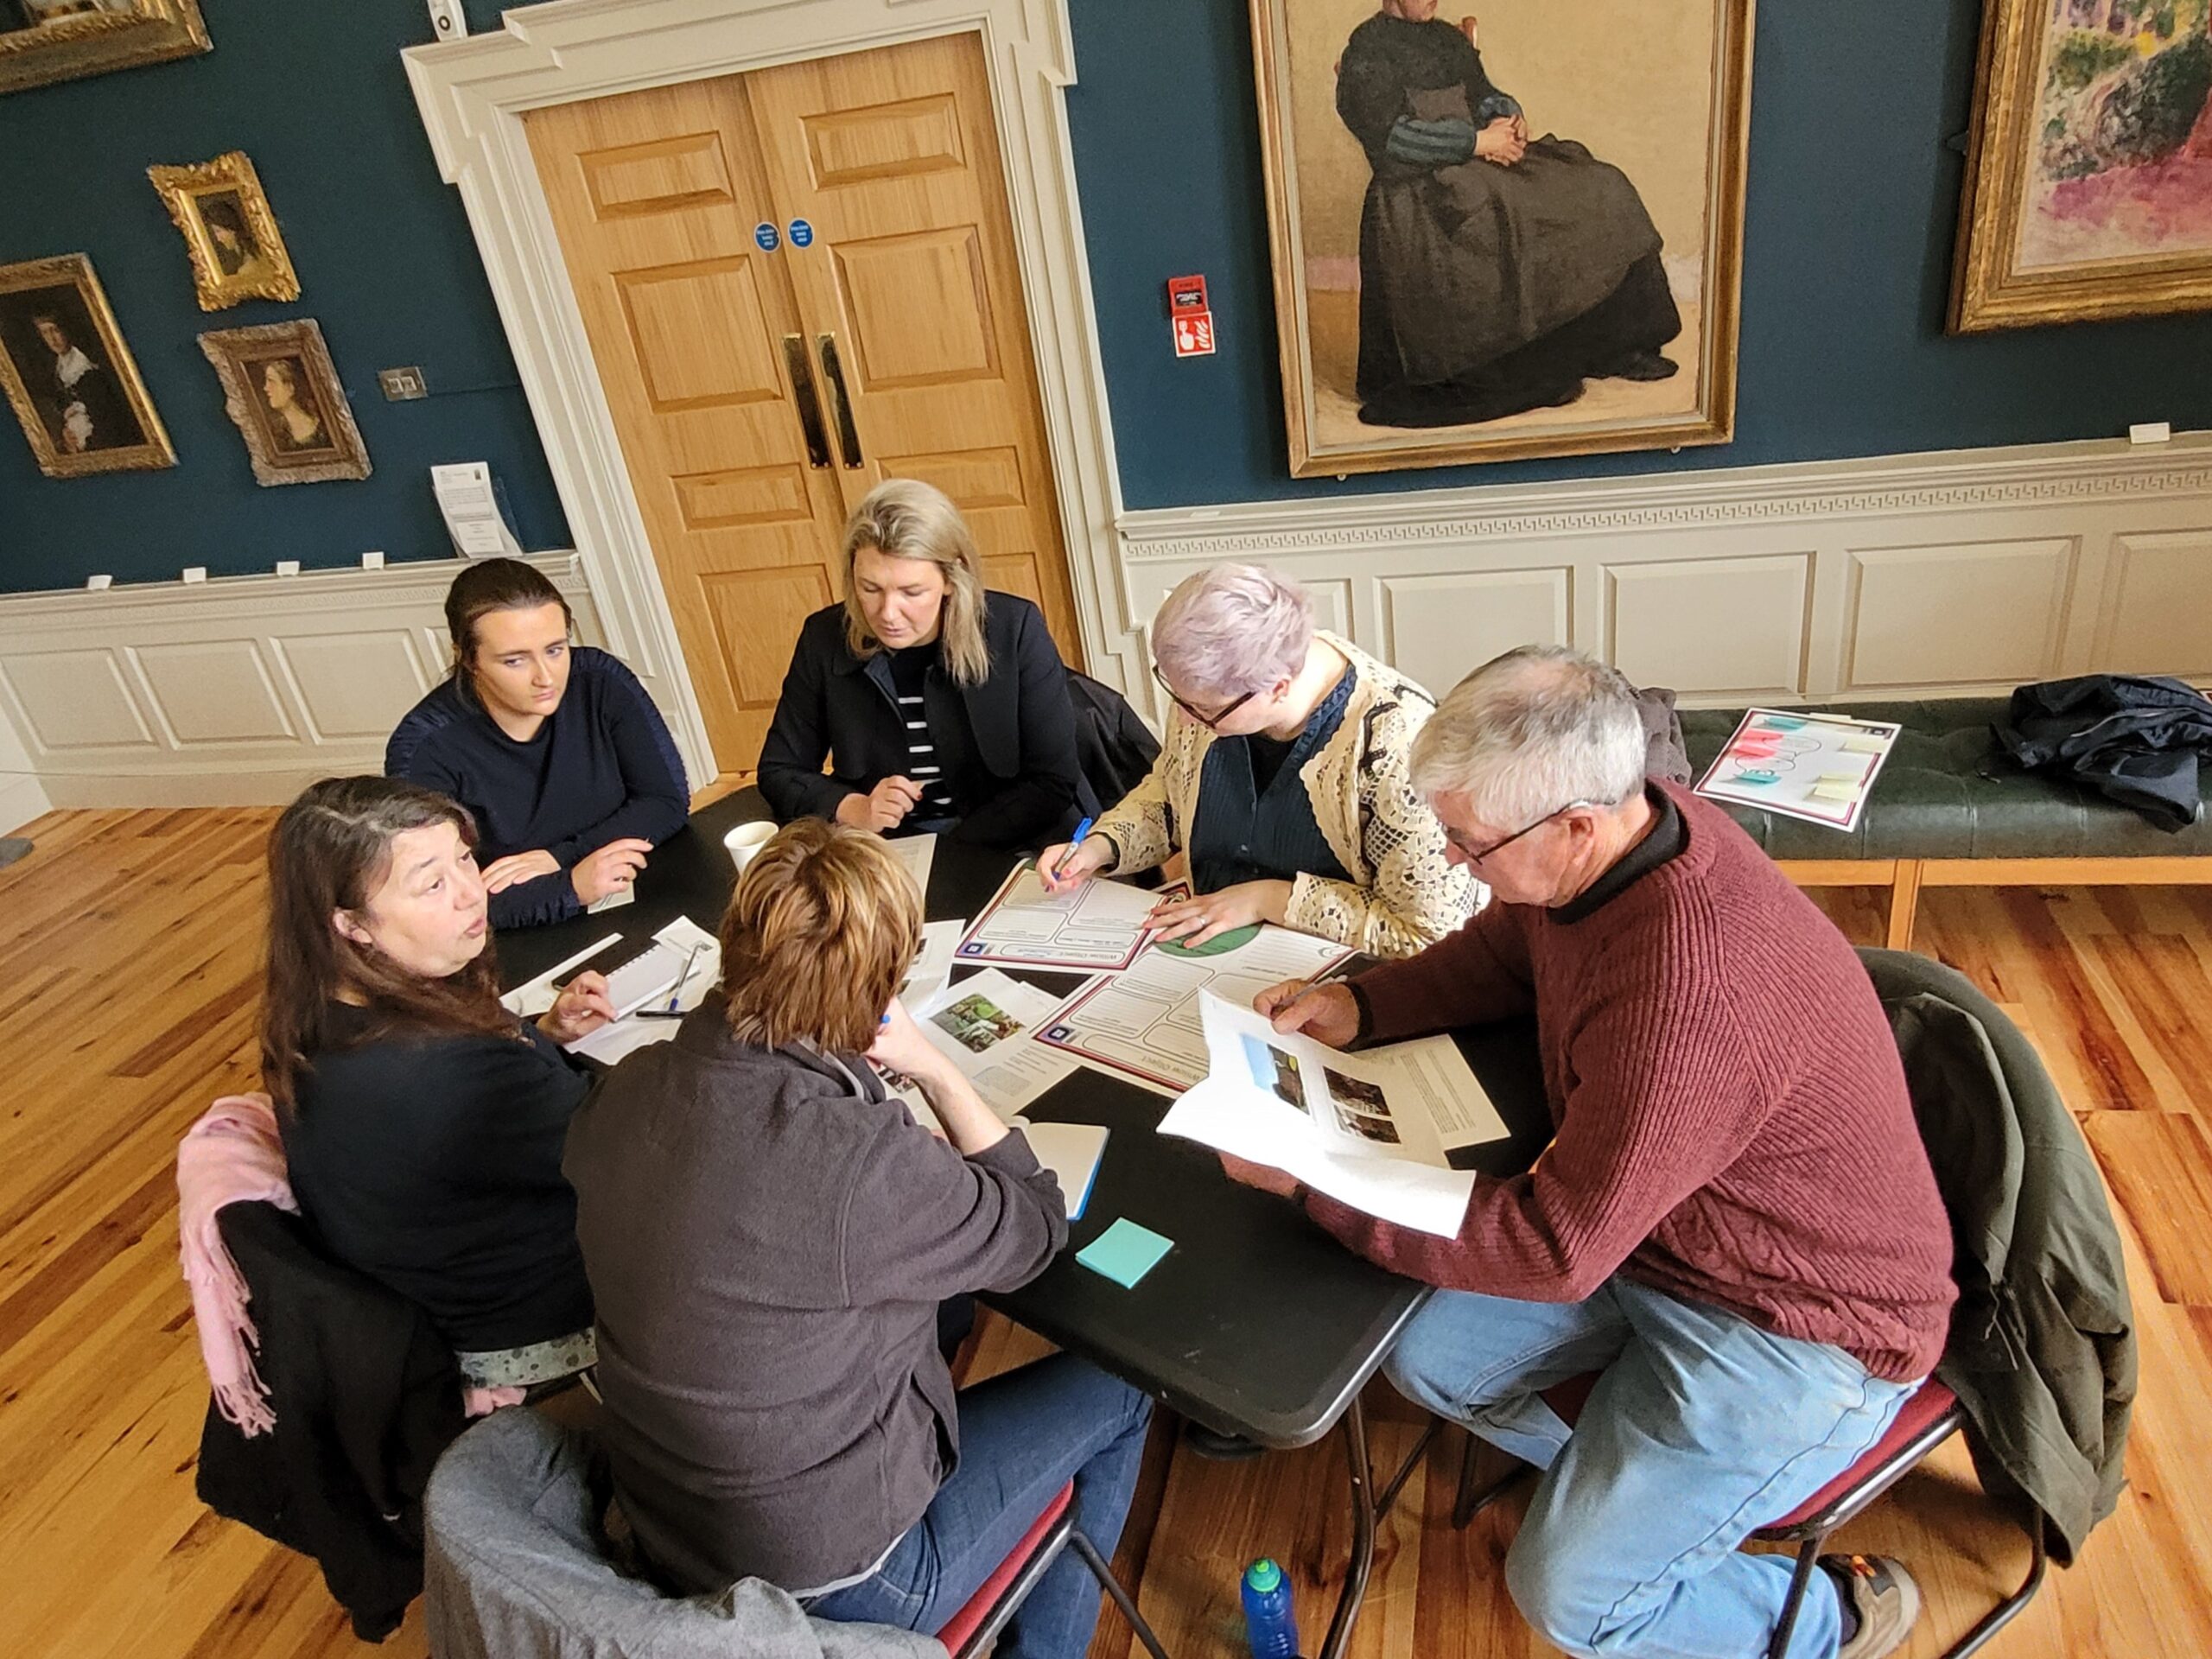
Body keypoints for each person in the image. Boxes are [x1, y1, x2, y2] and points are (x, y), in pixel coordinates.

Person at [1238, 645, 1958, 1659]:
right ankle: (1633, 1515)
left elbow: (1555, 1250)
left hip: (1798, 1326)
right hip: (1662, 1242)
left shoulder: (1687, 995)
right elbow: (1511, 943)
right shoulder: (1625, 837)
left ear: (1574, 826)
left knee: (1567, 1599)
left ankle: (1832, 1614)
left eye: (1467, 842)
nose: (1452, 861)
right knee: (1422, 1357)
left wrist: (1318, 1183)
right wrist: (1364, 1004)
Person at [566, 820, 1151, 1659]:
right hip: (836, 1578)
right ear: (881, 994)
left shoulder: (627, 1089)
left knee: (930, 1308)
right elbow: (1033, 1227)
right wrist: (934, 1066)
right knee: (1124, 1389)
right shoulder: (858, 1162)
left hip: (667, 1521)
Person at [260, 776, 615, 1395]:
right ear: (351, 923)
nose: (471, 893)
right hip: (542, 1331)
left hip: (443, 1299)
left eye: (465, 860)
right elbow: (636, 1146)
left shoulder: (322, 1014)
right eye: (431, 884)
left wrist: (540, 1034)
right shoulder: (449, 1074)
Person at [1039, 563, 1477, 957]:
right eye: (1181, 700)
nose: (1187, 719)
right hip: (1212, 947)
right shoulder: (1211, 700)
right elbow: (1171, 796)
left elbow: (1425, 933)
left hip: (1331, 971)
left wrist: (1267, 898)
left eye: (1205, 709)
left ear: (1279, 687)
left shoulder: (1398, 745)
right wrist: (1101, 846)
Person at [1336, 3, 1683, 428]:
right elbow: (1391, 139)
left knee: (1603, 186)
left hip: (1481, 162)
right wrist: (1475, 142)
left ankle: (1614, 342)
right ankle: (1531, 362)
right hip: (1418, 190)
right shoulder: (1367, 49)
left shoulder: (1446, 39)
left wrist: (1506, 116)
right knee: (1504, 214)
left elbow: (1483, 94)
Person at [757, 478, 1084, 852]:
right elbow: (779, 770)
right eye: (870, 588)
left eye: (911, 592)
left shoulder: (1015, 628)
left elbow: (1053, 780)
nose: (888, 613)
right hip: (884, 848)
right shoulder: (824, 637)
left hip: (1003, 841)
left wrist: (950, 853)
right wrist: (854, 807)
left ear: (952, 579)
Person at [386, 558, 689, 929]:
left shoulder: (599, 680)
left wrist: (560, 858)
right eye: (515, 661)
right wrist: (571, 886)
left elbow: (665, 801)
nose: (546, 677)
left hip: (638, 883)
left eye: (555, 650)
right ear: (468, 658)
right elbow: (441, 896)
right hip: (519, 926)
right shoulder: (424, 748)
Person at [259, 359, 326, 451]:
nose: (266, 388)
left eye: (271, 381)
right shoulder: (277, 431)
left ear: (290, 387)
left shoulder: (321, 428)